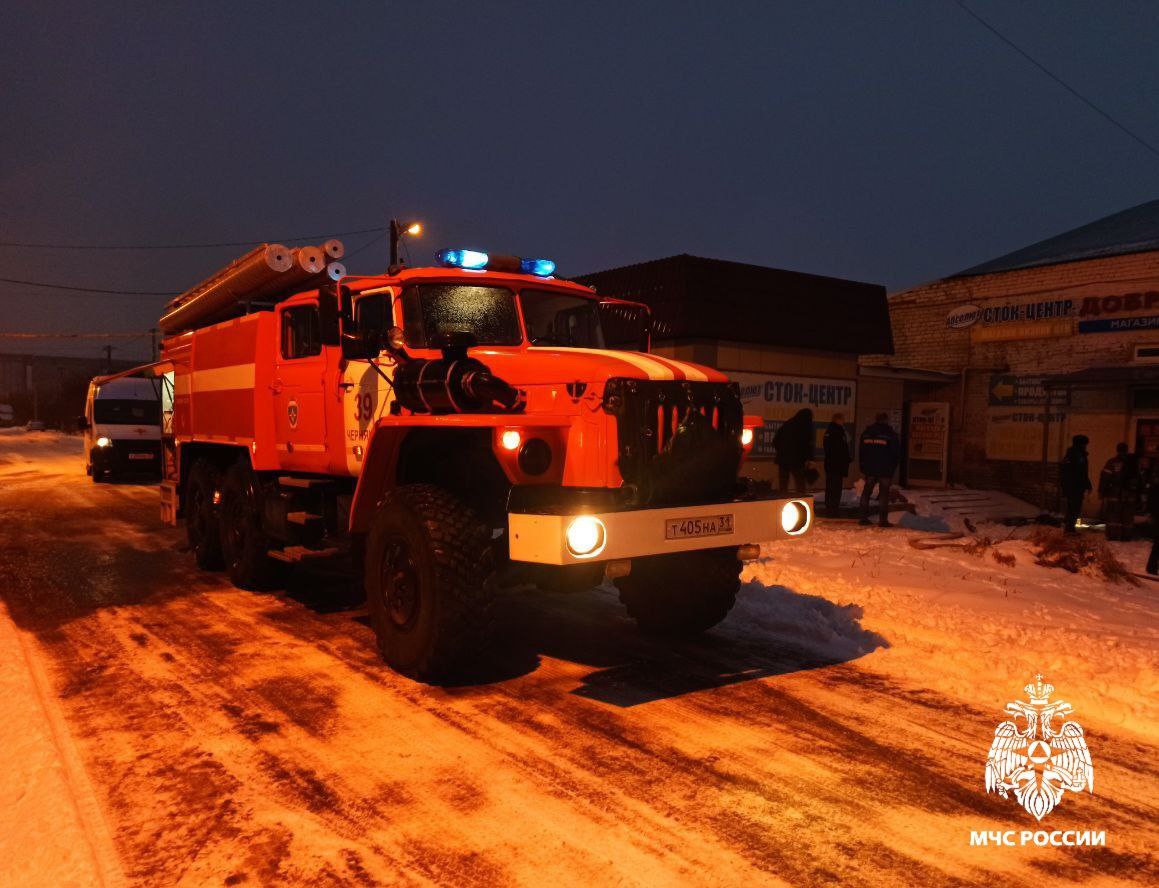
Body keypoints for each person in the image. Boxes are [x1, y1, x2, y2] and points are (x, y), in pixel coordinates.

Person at [858, 413, 901, 527]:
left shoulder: (866, 433)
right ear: (886, 420)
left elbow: (861, 451)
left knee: (866, 492)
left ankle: (863, 518)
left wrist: (863, 465)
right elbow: (896, 452)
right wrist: (893, 466)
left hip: (870, 468)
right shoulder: (890, 434)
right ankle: (883, 520)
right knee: (884, 493)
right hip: (885, 468)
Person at [1099, 442, 1139, 541]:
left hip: (1115, 493)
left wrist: (1102, 491)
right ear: (1126, 450)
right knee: (1127, 516)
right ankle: (1126, 536)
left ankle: (1113, 535)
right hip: (1130, 495)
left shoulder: (1112, 462)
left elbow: (1105, 478)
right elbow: (1139, 478)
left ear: (1117, 450)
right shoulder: (1133, 462)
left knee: (1113, 515)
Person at [773, 408, 814, 494]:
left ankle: (782, 501)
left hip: (783, 459)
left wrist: (781, 451)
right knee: (800, 483)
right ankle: (801, 501)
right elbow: (806, 444)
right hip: (797, 460)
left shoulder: (788, 423)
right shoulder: (805, 425)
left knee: (783, 483)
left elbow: (775, 440)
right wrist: (810, 458)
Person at [1059, 434, 1092, 534]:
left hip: (1074, 487)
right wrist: (1086, 484)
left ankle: (1070, 528)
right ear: (1080, 444)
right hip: (1075, 487)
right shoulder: (1077, 456)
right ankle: (1069, 529)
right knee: (1074, 508)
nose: (1086, 446)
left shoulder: (1073, 455)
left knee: (1073, 508)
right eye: (1084, 444)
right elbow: (1080, 472)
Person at [823, 413, 851, 518]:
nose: (843, 421)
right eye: (842, 419)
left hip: (831, 464)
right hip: (837, 465)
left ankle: (830, 508)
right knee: (835, 488)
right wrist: (845, 460)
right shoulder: (838, 432)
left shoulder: (829, 431)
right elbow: (840, 449)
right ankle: (833, 510)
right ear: (838, 420)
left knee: (830, 487)